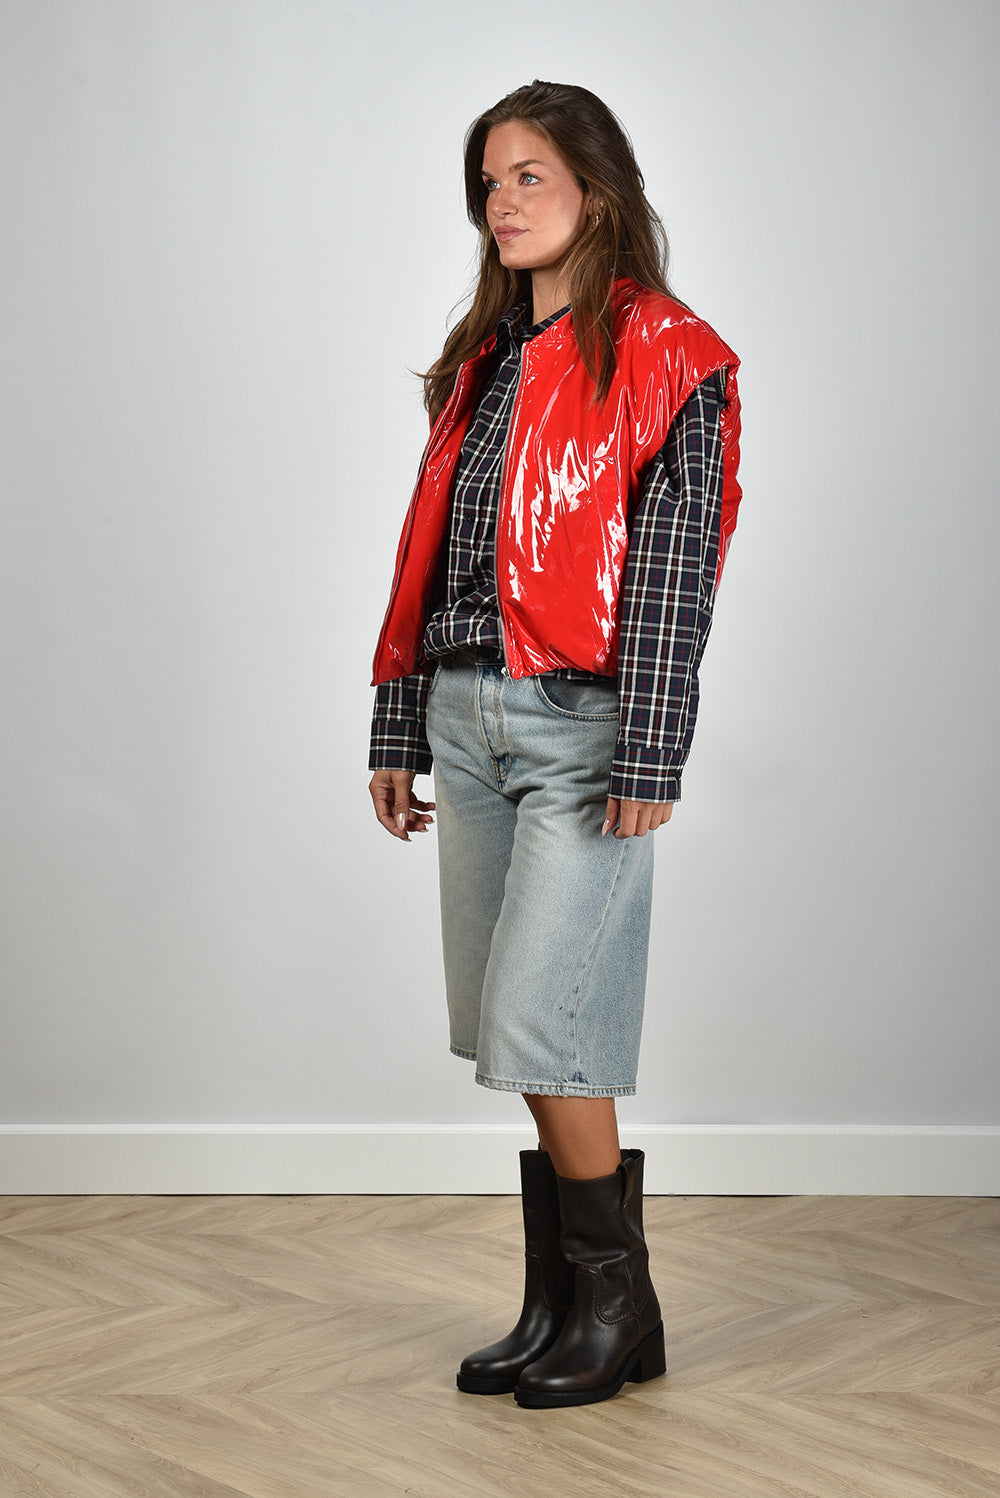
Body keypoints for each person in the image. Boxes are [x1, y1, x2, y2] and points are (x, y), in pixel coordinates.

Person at [367, 80, 741, 1409]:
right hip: (464, 712)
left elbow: (677, 567)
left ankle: (619, 1303)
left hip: (583, 720)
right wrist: (398, 718)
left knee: (546, 1016)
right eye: (489, 181)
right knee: (506, 1022)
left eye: (529, 175)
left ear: (597, 186)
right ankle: (566, 1305)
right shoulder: (481, 362)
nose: (502, 202)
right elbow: (427, 557)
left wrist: (652, 748)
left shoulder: (670, 351)